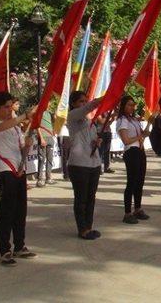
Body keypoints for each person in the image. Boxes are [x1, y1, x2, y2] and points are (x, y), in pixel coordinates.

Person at [0, 91, 37, 266]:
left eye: (10, 106)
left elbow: (21, 148)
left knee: (20, 211)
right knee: (7, 212)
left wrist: (27, 145)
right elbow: (2, 128)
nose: (9, 110)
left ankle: (20, 246)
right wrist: (24, 116)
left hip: (19, 171)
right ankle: (5, 250)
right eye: (6, 107)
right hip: (5, 172)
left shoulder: (15, 127)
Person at [66, 91, 102, 240]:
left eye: (85, 101)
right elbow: (86, 109)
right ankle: (82, 229)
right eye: (81, 101)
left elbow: (93, 139)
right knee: (81, 198)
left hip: (93, 163)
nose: (84, 103)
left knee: (91, 197)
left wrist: (97, 142)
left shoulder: (90, 122)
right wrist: (105, 99)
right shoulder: (73, 116)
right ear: (73, 103)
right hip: (79, 164)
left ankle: (89, 226)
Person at [117, 95, 150, 224]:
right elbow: (126, 140)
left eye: (133, 105)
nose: (132, 107)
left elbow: (143, 135)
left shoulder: (134, 120)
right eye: (129, 105)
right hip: (131, 152)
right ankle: (127, 212)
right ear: (123, 106)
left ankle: (138, 208)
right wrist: (140, 136)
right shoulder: (122, 120)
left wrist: (150, 123)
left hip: (140, 150)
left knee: (140, 181)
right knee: (131, 182)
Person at [36, 111, 55, 187]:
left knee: (50, 159)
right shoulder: (39, 112)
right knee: (42, 159)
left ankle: (48, 178)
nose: (48, 103)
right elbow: (37, 126)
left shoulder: (49, 113)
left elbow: (53, 123)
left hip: (50, 138)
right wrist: (41, 138)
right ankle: (40, 179)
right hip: (43, 138)